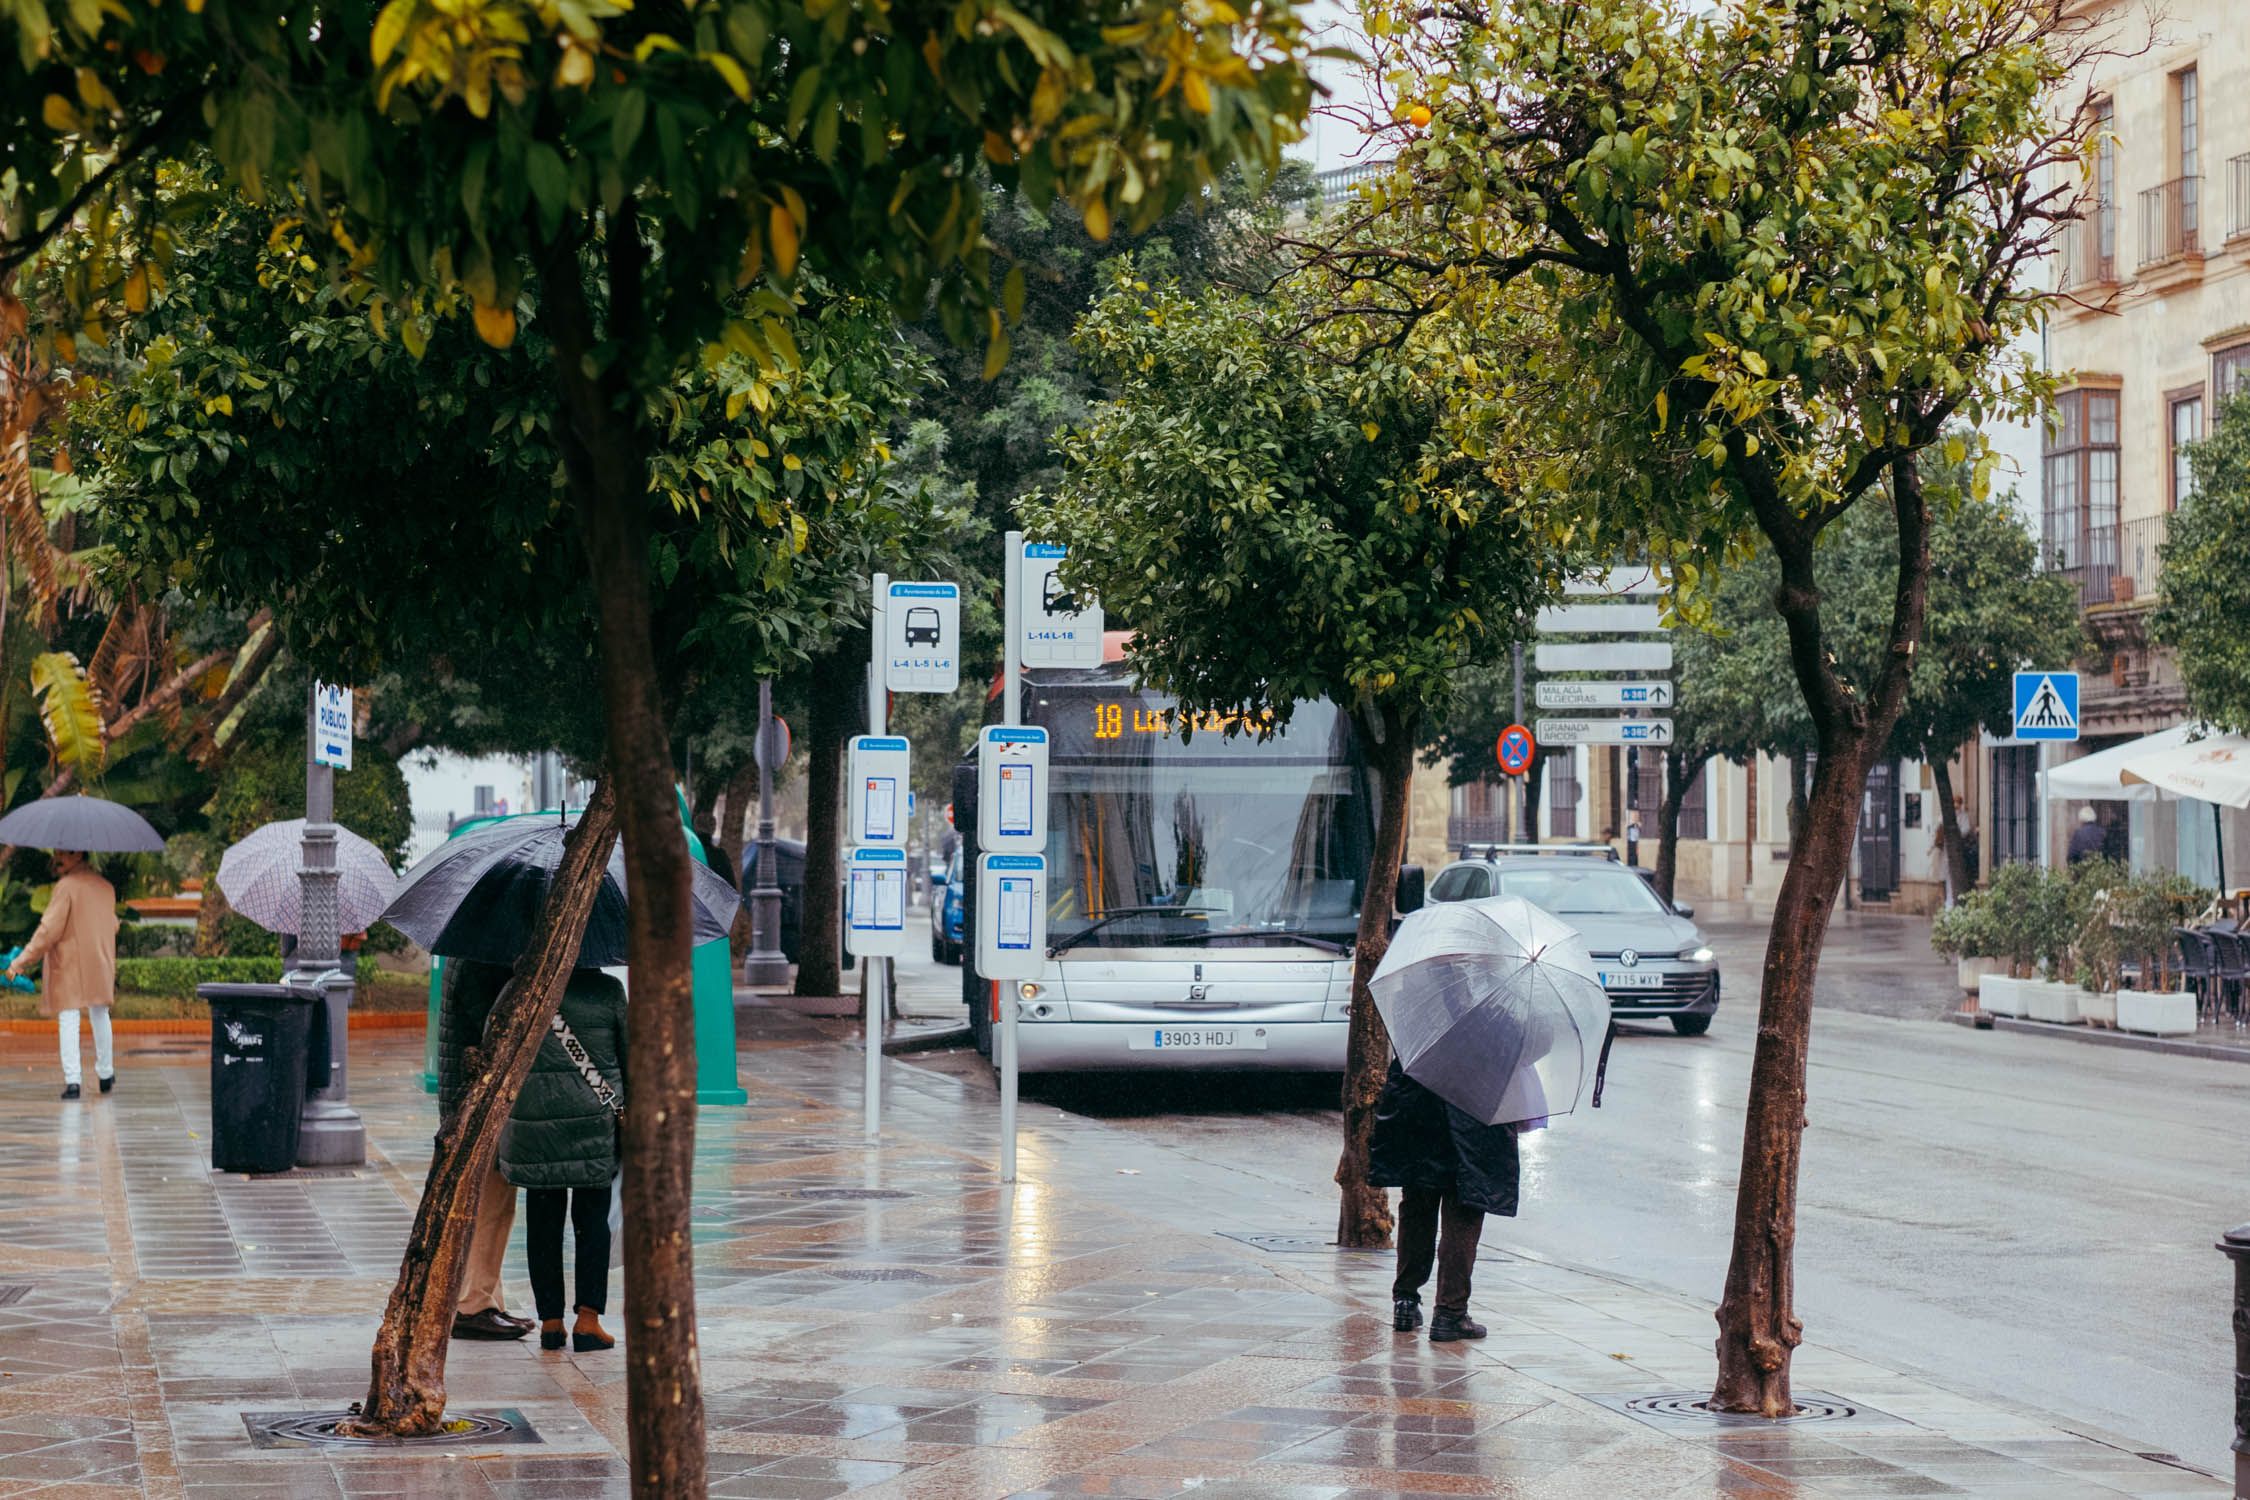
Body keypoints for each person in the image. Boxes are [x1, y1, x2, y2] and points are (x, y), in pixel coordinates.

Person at [501, 966, 626, 1353]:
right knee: (593, 1222)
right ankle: (588, 1320)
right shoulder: (607, 990)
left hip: (535, 1122)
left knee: (542, 1223)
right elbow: (632, 1054)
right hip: (595, 1121)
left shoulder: (523, 983)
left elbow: (499, 1043)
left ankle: (551, 1322)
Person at [1367, 1056, 1520, 1342]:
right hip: (1474, 1117)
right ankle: (1450, 1313)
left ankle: (1405, 1302)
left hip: (1418, 1113)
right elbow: (1536, 1043)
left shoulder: (1424, 1015)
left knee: (1417, 1206)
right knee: (1463, 1213)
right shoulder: (1496, 1016)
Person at [436, 958, 532, 1342]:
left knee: (493, 1201)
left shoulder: (469, 956)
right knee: (490, 1202)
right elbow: (497, 1026)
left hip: (471, 1096)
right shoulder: (480, 964)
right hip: (479, 1098)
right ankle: (474, 1305)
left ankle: (487, 1297)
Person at [8, 850, 120, 1101]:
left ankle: (73, 1082)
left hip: (71, 963)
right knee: (100, 1014)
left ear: (78, 854)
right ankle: (106, 1074)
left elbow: (48, 930)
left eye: (63, 853)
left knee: (69, 1016)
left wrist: (21, 961)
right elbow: (113, 924)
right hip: (100, 961)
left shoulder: (66, 887)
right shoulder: (105, 887)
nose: (57, 857)